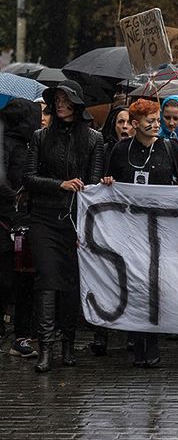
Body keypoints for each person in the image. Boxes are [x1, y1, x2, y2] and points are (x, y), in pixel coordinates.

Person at [101, 99, 178, 368]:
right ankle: (136, 338)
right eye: (150, 121)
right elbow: (108, 181)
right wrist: (107, 182)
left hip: (161, 229)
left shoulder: (169, 146)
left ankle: (151, 342)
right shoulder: (120, 150)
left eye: (158, 120)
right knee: (135, 284)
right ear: (135, 125)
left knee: (154, 284)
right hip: (130, 229)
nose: (156, 125)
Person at [23, 80, 105, 373]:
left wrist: (93, 188)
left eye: (64, 99)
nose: (59, 105)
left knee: (71, 283)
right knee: (46, 280)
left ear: (76, 103)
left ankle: (68, 344)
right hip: (44, 218)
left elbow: (94, 184)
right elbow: (29, 178)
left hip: (76, 220)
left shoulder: (94, 139)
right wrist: (61, 184)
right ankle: (46, 347)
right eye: (56, 100)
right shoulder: (40, 137)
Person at [1, 99, 41, 359]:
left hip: (22, 223)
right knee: (9, 280)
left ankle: (21, 335)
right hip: (8, 222)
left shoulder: (28, 145)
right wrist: (17, 197)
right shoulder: (7, 146)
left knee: (24, 280)